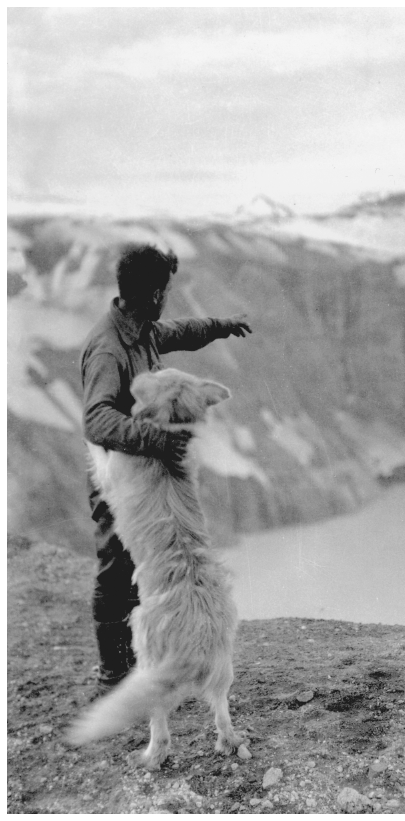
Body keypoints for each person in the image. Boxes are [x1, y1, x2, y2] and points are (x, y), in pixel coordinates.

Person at [80, 243, 252, 697]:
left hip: (142, 473)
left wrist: (221, 326)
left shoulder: (140, 328)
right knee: (116, 567)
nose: (167, 300)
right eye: (166, 290)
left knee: (144, 567)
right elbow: (95, 419)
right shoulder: (108, 349)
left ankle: (141, 666)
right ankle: (112, 675)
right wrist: (158, 439)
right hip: (117, 479)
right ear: (155, 293)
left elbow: (180, 331)